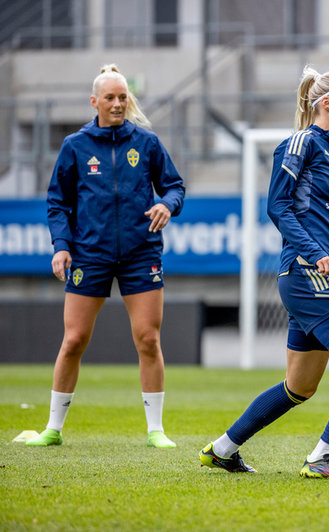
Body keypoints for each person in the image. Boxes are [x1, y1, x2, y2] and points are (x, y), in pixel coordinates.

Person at [199, 66, 329, 479]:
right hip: (308, 276)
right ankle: (322, 456)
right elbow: (277, 206)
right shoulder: (301, 142)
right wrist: (315, 252)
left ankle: (222, 449)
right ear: (327, 104)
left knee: (299, 387)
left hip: (315, 275)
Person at [28, 64, 185, 449]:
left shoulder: (146, 143)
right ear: (94, 101)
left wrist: (167, 204)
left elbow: (175, 187)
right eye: (110, 98)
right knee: (74, 339)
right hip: (90, 254)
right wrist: (62, 246)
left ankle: (155, 430)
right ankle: (53, 428)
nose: (117, 104)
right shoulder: (75, 146)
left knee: (148, 339)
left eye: (123, 97)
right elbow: (57, 202)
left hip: (140, 253)